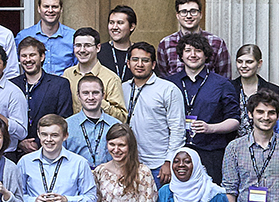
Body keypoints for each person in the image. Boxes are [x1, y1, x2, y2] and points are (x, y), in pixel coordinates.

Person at [162, 35, 240, 181]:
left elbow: (235, 121)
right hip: (177, 154)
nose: (193, 55)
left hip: (211, 153)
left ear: (206, 55)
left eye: (198, 50)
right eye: (188, 50)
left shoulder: (222, 84)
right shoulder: (168, 84)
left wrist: (210, 128)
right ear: (181, 55)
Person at [121, 42, 187, 182]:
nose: (139, 64)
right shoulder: (122, 88)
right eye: (135, 60)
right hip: (128, 163)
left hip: (158, 165)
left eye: (145, 60)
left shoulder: (168, 89)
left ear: (153, 64)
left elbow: (178, 129)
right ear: (128, 63)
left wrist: (169, 161)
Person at [11, 37, 73, 153]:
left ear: (42, 57)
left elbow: (64, 119)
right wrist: (20, 142)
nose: (28, 60)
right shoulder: (11, 85)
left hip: (49, 149)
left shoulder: (59, 84)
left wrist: (38, 142)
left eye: (32, 55)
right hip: (16, 151)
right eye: (24, 56)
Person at [61, 28, 129, 121]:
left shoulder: (111, 78)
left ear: (98, 48)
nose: (82, 50)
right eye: (78, 45)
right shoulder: (68, 74)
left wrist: (99, 101)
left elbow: (122, 117)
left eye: (87, 45)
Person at [158, 0, 230, 77]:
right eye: (183, 12)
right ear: (177, 16)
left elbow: (224, 79)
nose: (188, 16)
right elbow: (163, 80)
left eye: (193, 11)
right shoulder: (165, 43)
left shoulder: (217, 43)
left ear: (200, 14)